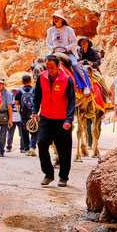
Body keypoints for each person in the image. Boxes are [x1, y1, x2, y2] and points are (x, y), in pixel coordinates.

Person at [30, 55, 76, 187]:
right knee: (42, 144)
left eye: (52, 67)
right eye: (47, 67)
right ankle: (48, 174)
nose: (49, 70)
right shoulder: (42, 78)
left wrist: (69, 119)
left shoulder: (67, 80)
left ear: (58, 66)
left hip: (62, 120)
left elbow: (72, 101)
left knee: (64, 150)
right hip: (45, 118)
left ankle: (63, 177)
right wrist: (34, 111)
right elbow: (37, 96)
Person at [45, 11, 90, 94]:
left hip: (67, 53)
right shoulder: (50, 31)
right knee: (42, 65)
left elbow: (74, 42)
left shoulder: (69, 30)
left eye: (57, 18)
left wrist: (67, 47)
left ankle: (85, 85)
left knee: (75, 65)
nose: (55, 19)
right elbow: (47, 43)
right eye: (54, 18)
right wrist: (52, 47)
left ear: (62, 19)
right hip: (54, 54)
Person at [14, 74, 36, 155]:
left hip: (23, 115)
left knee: (24, 132)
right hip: (33, 114)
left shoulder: (19, 91)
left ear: (22, 82)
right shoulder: (34, 90)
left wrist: (19, 112)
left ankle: (26, 149)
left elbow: (16, 104)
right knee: (34, 131)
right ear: (30, 81)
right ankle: (32, 147)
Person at [0, 78, 13, 156]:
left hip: (4, 115)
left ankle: (1, 151)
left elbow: (9, 107)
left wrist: (10, 119)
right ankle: (1, 147)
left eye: (1, 83)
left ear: (3, 84)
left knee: (3, 134)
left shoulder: (7, 94)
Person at [8, 86, 21, 152]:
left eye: (16, 91)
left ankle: (23, 147)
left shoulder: (22, 97)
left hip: (20, 118)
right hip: (12, 118)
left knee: (21, 134)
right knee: (10, 134)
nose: (15, 92)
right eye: (14, 90)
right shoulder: (10, 97)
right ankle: (9, 147)